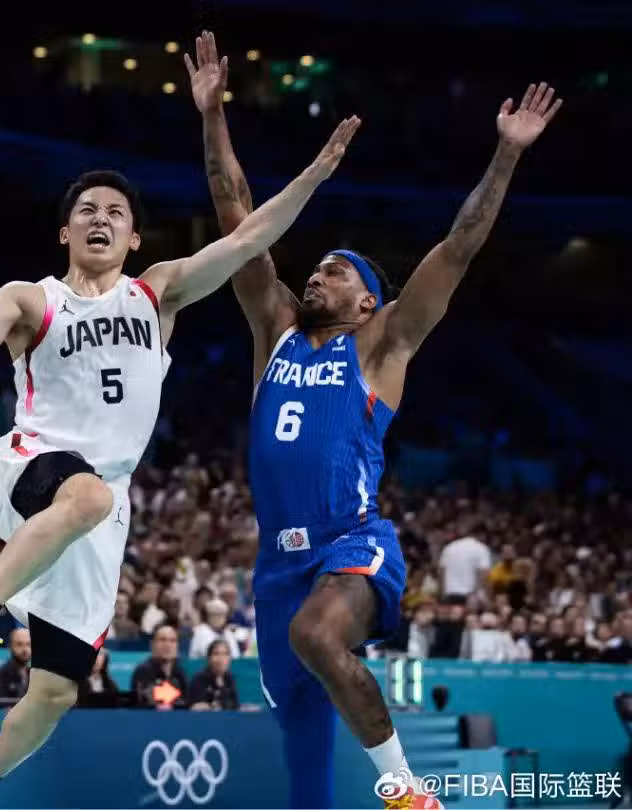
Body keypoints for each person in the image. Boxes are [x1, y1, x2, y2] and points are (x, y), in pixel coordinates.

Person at [0, 118, 360, 809]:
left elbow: (247, 239)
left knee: (56, 690)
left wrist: (315, 174)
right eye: (86, 211)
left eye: (115, 213)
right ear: (65, 232)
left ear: (134, 238)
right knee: (86, 497)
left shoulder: (157, 292)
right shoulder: (32, 299)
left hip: (100, 507)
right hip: (31, 468)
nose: (100, 219)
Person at [186, 30, 561, 809]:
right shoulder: (274, 329)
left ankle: (406, 791)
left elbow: (458, 247)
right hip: (277, 567)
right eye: (315, 267)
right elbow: (236, 215)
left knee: (318, 635)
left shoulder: (383, 342)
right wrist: (213, 114)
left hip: (352, 542)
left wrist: (507, 154)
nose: (316, 274)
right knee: (303, 755)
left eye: (335, 271)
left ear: (367, 300)